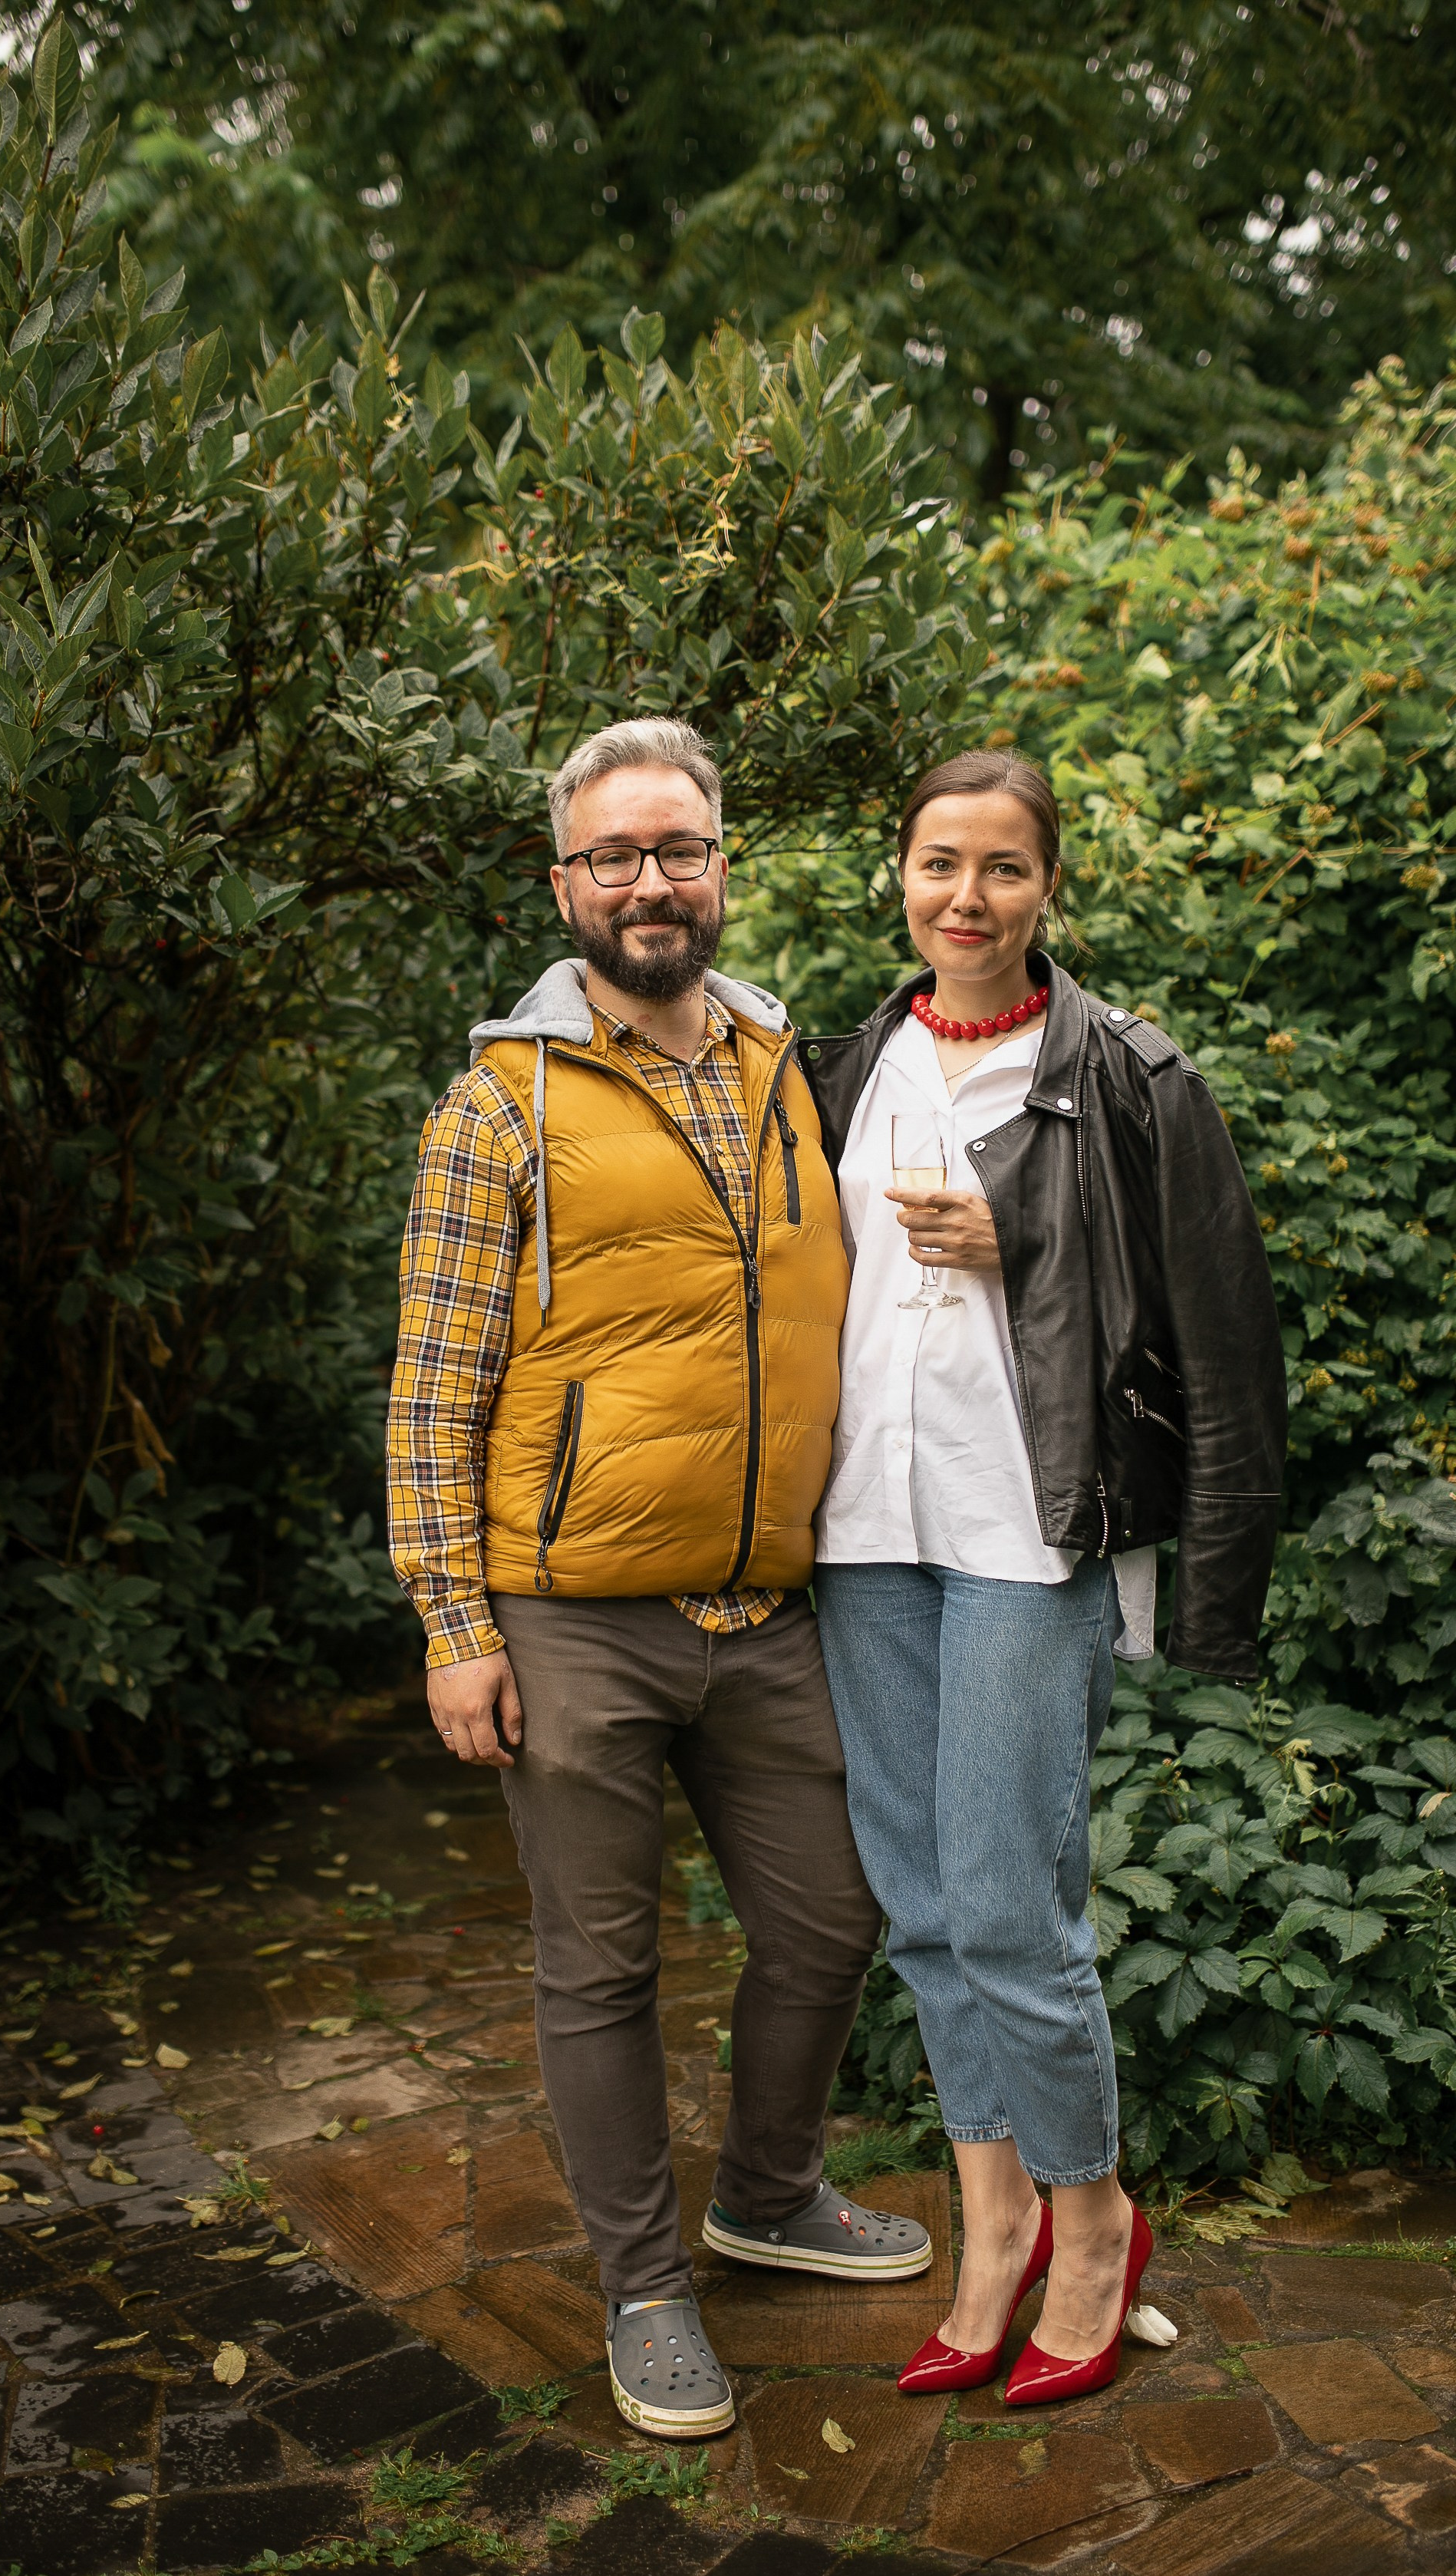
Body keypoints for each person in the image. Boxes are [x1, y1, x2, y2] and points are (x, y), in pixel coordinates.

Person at [385, 717, 932, 2441]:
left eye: (677, 849)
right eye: (612, 856)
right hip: (571, 1618)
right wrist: (452, 1626)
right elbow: (432, 1385)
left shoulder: (791, 1066)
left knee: (833, 1916)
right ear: (565, 887)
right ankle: (641, 2285)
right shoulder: (501, 1108)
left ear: (720, 866)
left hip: (768, 1607)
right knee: (596, 1966)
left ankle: (766, 2192)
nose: (649, 881)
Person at [799, 748, 1286, 2406]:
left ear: (1047, 890)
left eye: (1002, 869)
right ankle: (987, 2225)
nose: (966, 898)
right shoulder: (845, 1062)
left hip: (1028, 1534)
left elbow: (1222, 1334)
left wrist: (1031, 1244)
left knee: (1013, 1908)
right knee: (925, 1910)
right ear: (899, 875)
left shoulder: (1134, 1075)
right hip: (864, 1532)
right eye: (939, 862)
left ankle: (1093, 2227)